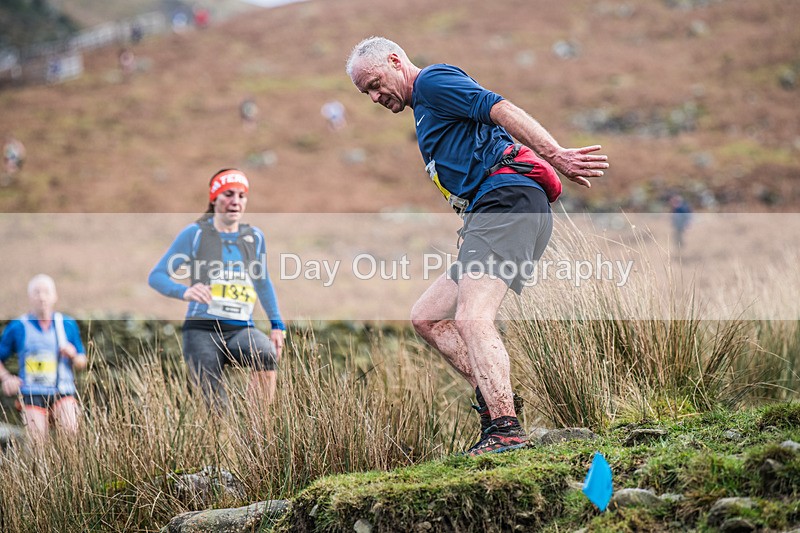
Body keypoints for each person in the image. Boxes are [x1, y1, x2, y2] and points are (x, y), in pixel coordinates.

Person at [346, 37, 608, 455]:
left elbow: (499, 107)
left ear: (396, 61)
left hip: (508, 200)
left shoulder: (432, 81)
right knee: (427, 317)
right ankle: (496, 402)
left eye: (376, 84)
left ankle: (505, 430)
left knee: (472, 317)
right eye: (367, 93)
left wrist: (557, 154)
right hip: (494, 212)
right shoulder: (425, 111)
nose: (375, 97)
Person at [149, 168, 286, 411]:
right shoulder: (195, 234)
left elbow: (262, 282)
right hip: (202, 332)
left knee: (266, 354)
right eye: (228, 194)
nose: (236, 201)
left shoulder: (254, 237)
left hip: (241, 329)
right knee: (216, 411)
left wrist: (277, 325)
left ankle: (256, 434)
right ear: (214, 199)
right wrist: (184, 292)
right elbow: (157, 276)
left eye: (242, 196)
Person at [0, 274, 87, 442]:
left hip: (63, 391)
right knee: (37, 445)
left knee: (71, 437)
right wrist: (6, 378)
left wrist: (73, 355)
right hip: (32, 393)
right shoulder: (18, 326)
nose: (42, 297)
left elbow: (82, 361)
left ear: (55, 296)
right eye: (36, 292)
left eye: (46, 292)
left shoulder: (67, 324)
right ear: (29, 297)